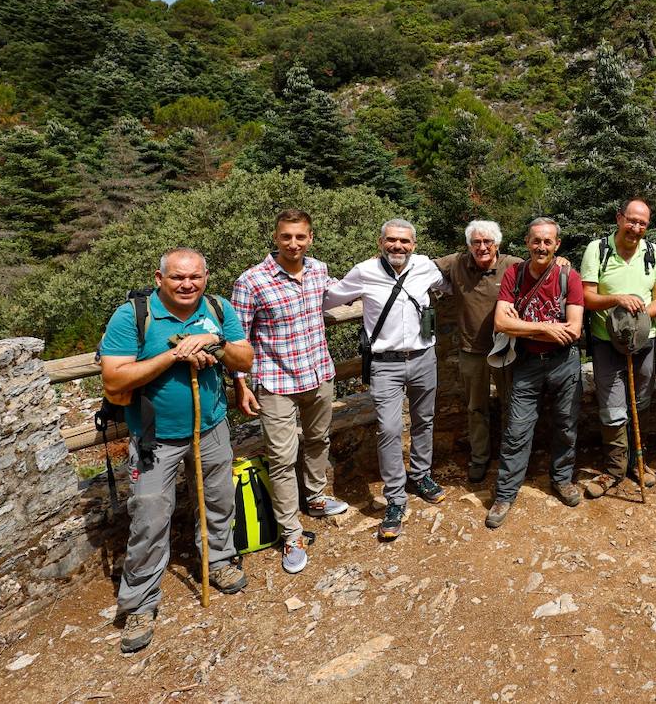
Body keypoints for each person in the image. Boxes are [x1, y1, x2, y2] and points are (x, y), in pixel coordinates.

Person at [99, 248, 252, 654]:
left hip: (211, 426)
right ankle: (140, 603)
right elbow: (114, 382)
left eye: (195, 277)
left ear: (206, 277)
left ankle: (217, 561)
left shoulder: (218, 309)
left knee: (218, 500)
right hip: (155, 436)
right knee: (149, 516)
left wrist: (215, 343)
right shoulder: (131, 316)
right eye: (178, 278)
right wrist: (173, 355)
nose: (188, 285)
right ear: (159, 278)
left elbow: (246, 358)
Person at [230, 209, 348, 576]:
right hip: (276, 382)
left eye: (300, 237)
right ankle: (291, 533)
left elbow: (349, 290)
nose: (293, 244)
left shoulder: (319, 270)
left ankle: (314, 498)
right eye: (286, 237)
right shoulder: (251, 281)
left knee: (317, 440)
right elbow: (237, 337)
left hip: (318, 374)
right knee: (282, 458)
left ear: (310, 237)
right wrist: (240, 384)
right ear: (276, 237)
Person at [324, 219, 451, 541]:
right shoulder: (364, 271)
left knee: (424, 419)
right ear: (380, 242)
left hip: (423, 357)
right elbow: (329, 299)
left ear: (415, 244)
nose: (398, 246)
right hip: (385, 364)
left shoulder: (424, 267)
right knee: (390, 429)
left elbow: (451, 285)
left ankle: (421, 475)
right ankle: (396, 497)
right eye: (392, 240)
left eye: (405, 241)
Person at [484, 218, 585, 528]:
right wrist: (544, 327)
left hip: (563, 361)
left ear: (557, 245)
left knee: (566, 424)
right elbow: (501, 323)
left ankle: (562, 479)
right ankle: (505, 494)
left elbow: (574, 331)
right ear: (527, 242)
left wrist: (524, 328)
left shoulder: (570, 277)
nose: (542, 246)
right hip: (527, 362)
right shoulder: (514, 274)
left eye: (548, 242)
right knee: (516, 429)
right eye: (536, 240)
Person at [579, 198, 656, 499]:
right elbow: (587, 297)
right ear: (619, 219)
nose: (636, 227)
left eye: (642, 223)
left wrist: (639, 319)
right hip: (606, 340)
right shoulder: (598, 250)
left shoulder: (654, 253)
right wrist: (617, 300)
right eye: (631, 220)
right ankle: (614, 468)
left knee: (640, 400)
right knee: (613, 404)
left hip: (645, 340)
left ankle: (637, 462)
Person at [434, 220, 523, 483]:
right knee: (476, 408)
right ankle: (480, 458)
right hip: (471, 349)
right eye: (476, 242)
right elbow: (420, 265)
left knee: (511, 405)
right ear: (469, 245)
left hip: (506, 348)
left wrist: (562, 261)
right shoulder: (457, 263)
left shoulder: (513, 265)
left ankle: (511, 458)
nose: (482, 247)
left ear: (497, 243)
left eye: (487, 242)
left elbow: (544, 271)